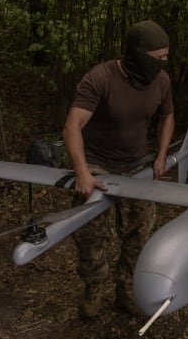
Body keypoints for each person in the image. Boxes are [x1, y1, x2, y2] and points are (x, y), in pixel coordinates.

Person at [62, 19, 175, 320]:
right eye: (159, 57)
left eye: (167, 56)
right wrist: (83, 172)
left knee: (140, 234)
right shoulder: (100, 78)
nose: (165, 63)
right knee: (91, 236)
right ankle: (92, 287)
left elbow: (167, 116)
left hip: (137, 166)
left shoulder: (161, 81)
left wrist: (161, 156)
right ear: (138, 54)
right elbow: (73, 126)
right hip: (98, 164)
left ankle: (126, 291)